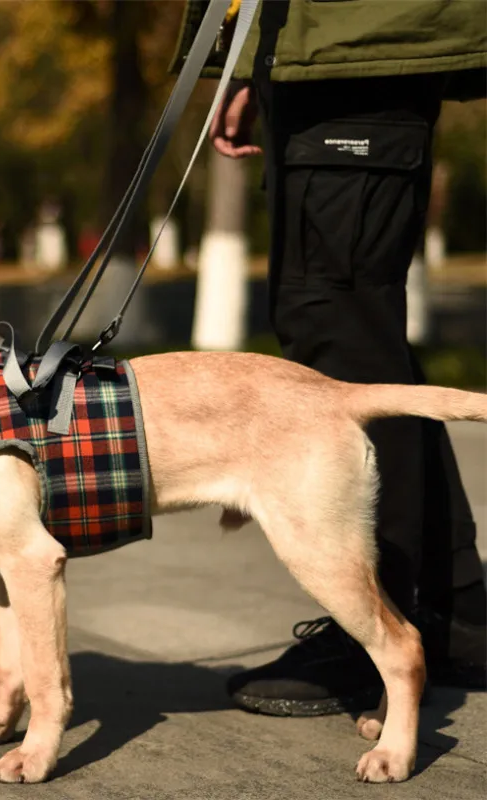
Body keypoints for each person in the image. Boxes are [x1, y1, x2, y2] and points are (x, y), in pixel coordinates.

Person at [171, 0, 487, 716]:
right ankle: (455, 608)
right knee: (352, 333)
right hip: (330, 51)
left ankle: (377, 625)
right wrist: (263, 61)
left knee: (340, 334)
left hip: (362, 42)